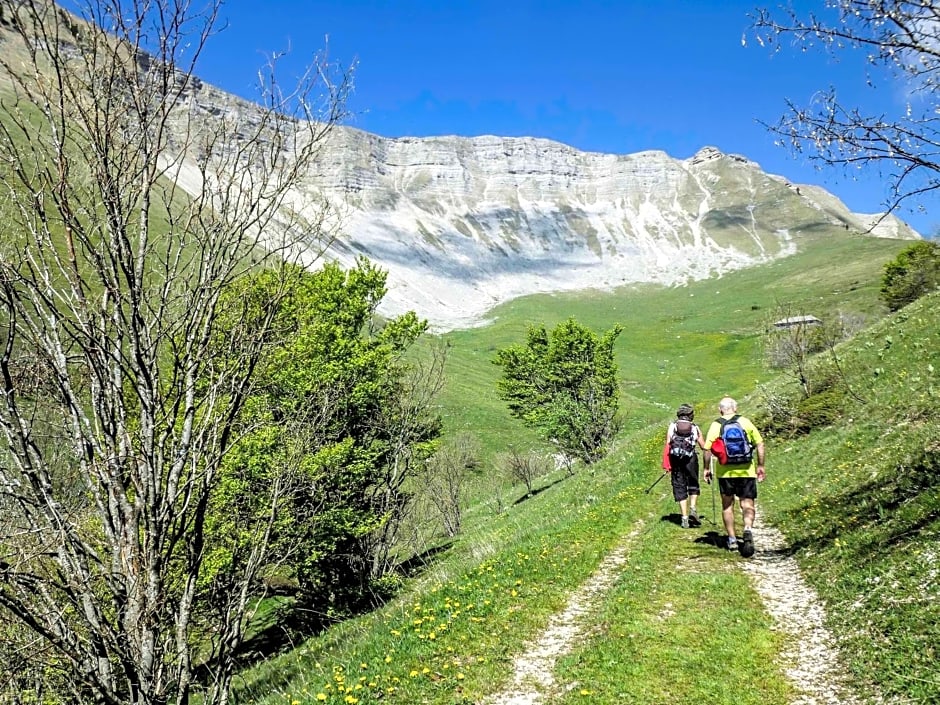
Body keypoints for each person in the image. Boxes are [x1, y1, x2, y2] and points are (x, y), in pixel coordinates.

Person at [702, 397, 765, 557]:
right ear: (735, 408)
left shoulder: (716, 425)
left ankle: (731, 540)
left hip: (725, 472)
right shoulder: (745, 422)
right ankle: (748, 528)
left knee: (727, 506)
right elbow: (760, 444)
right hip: (746, 470)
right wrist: (760, 465)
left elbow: (707, 449)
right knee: (747, 504)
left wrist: (706, 468)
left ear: (720, 410)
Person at [665, 403, 707, 529]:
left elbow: (668, 443)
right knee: (693, 482)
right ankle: (693, 508)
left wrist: (667, 464)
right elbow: (704, 446)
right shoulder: (695, 428)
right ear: (690, 415)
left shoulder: (672, 426)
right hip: (691, 458)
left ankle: (684, 518)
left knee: (679, 485)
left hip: (676, 459)